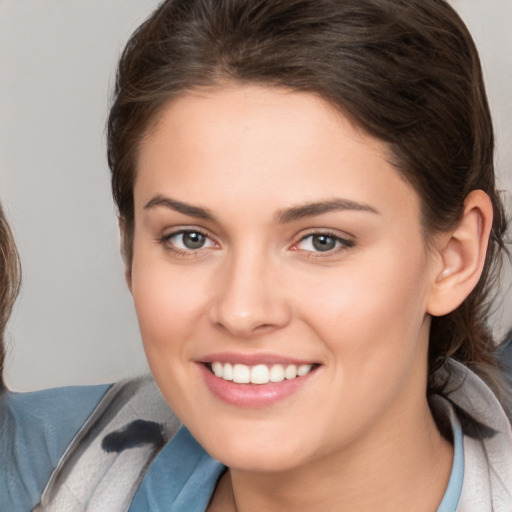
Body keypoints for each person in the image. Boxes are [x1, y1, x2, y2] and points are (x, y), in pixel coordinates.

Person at [2, 0, 512, 511]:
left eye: (322, 241)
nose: (242, 311)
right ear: (130, 249)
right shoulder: (36, 468)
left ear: (454, 256)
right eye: (190, 238)